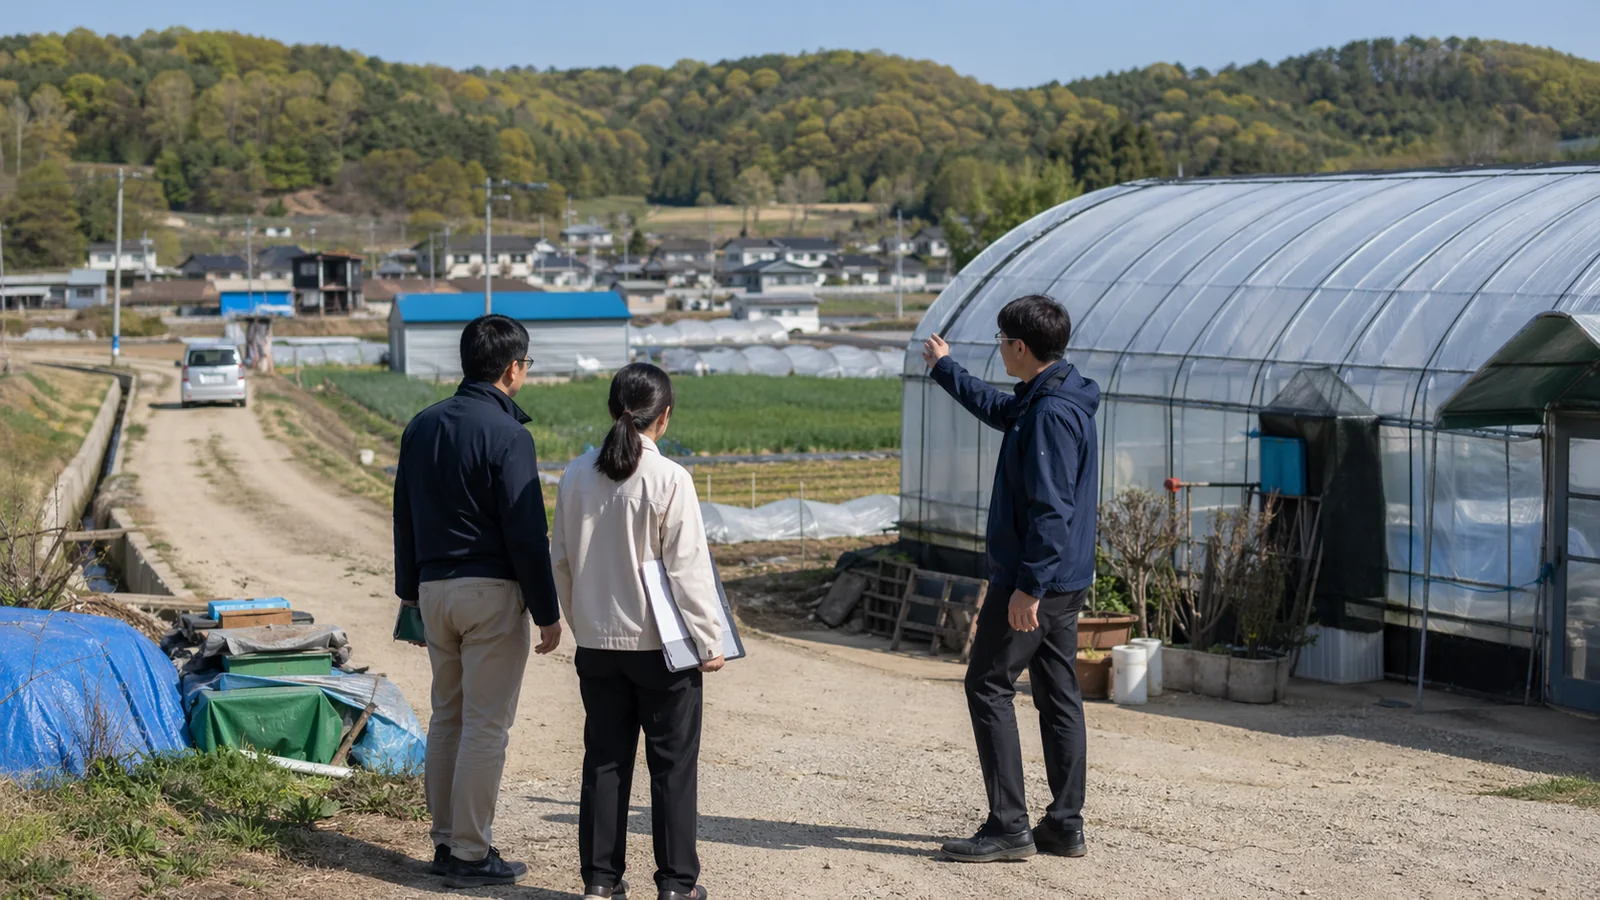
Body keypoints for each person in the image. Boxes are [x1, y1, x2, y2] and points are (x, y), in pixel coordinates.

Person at [921, 294, 1101, 863]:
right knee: (1057, 693)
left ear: (1020, 347)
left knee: (988, 685)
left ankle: (1008, 825)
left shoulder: (1049, 414)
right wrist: (946, 370)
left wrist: (1029, 588)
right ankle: (1064, 826)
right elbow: (1001, 411)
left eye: (1001, 341)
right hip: (1063, 578)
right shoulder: (1053, 396)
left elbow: (1051, 510)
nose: (1000, 349)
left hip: (1035, 579)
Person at [393, 314, 563, 888]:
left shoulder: (421, 426)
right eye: (526, 365)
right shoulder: (510, 434)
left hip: (434, 591)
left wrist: (407, 591)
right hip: (491, 592)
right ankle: (470, 852)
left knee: (448, 717)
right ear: (513, 368)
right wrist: (547, 610)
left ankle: (445, 842)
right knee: (486, 727)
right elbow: (525, 529)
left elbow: (403, 514)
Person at [550, 362, 724, 900]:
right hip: (662, 649)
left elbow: (559, 559)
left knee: (604, 761)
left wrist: (582, 623)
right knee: (671, 767)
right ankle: (675, 886)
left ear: (611, 410)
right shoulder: (671, 478)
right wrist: (709, 641)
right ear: (663, 418)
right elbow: (688, 570)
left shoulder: (576, 475)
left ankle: (600, 883)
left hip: (598, 644)